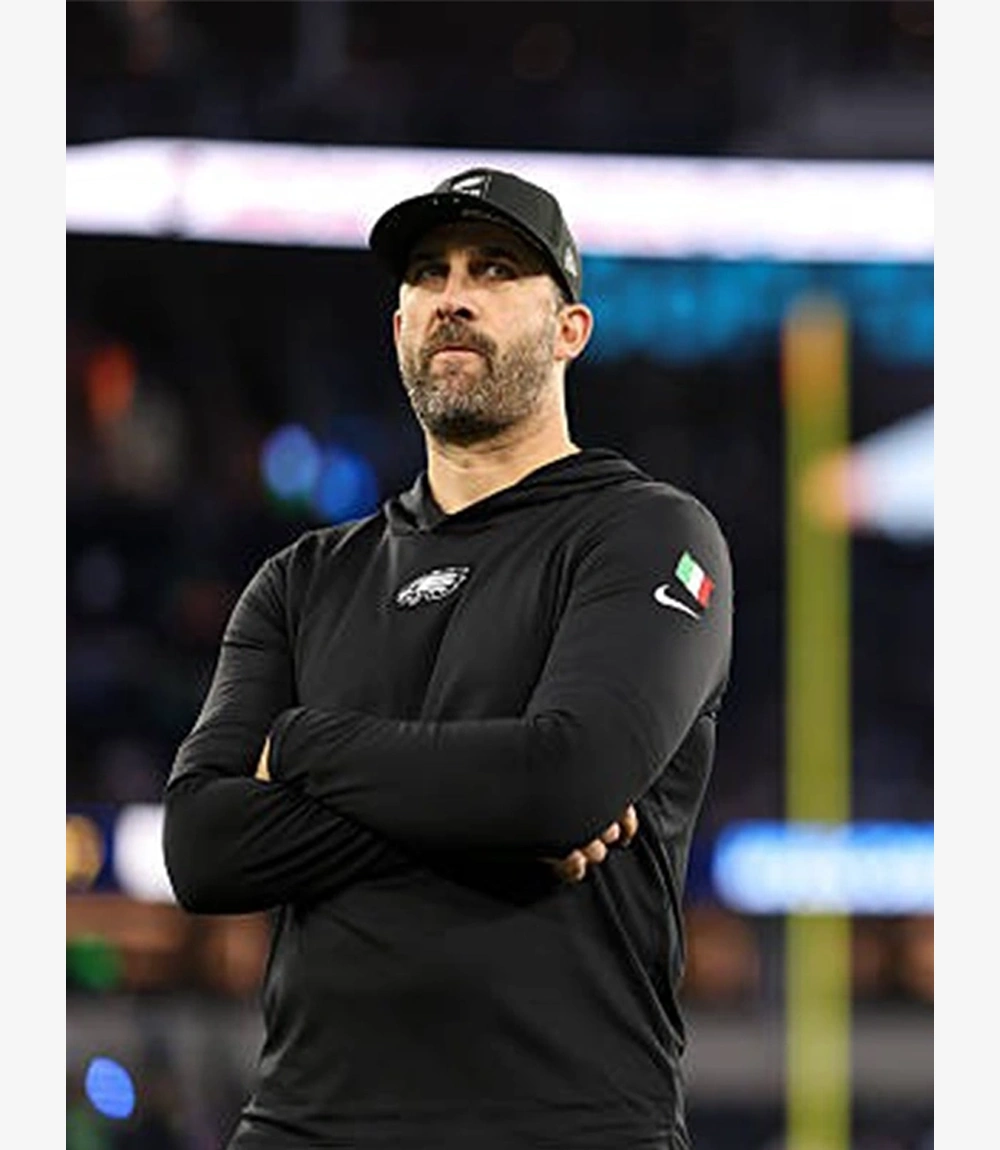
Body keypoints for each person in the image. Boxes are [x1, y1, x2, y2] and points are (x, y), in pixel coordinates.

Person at [162, 167, 733, 1150]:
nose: (453, 296)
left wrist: (299, 746)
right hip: (303, 1126)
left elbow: (561, 783)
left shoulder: (647, 536)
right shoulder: (302, 580)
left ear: (570, 329)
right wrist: (495, 809)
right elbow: (204, 848)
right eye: (429, 273)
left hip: (569, 1127)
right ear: (399, 328)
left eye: (495, 269)